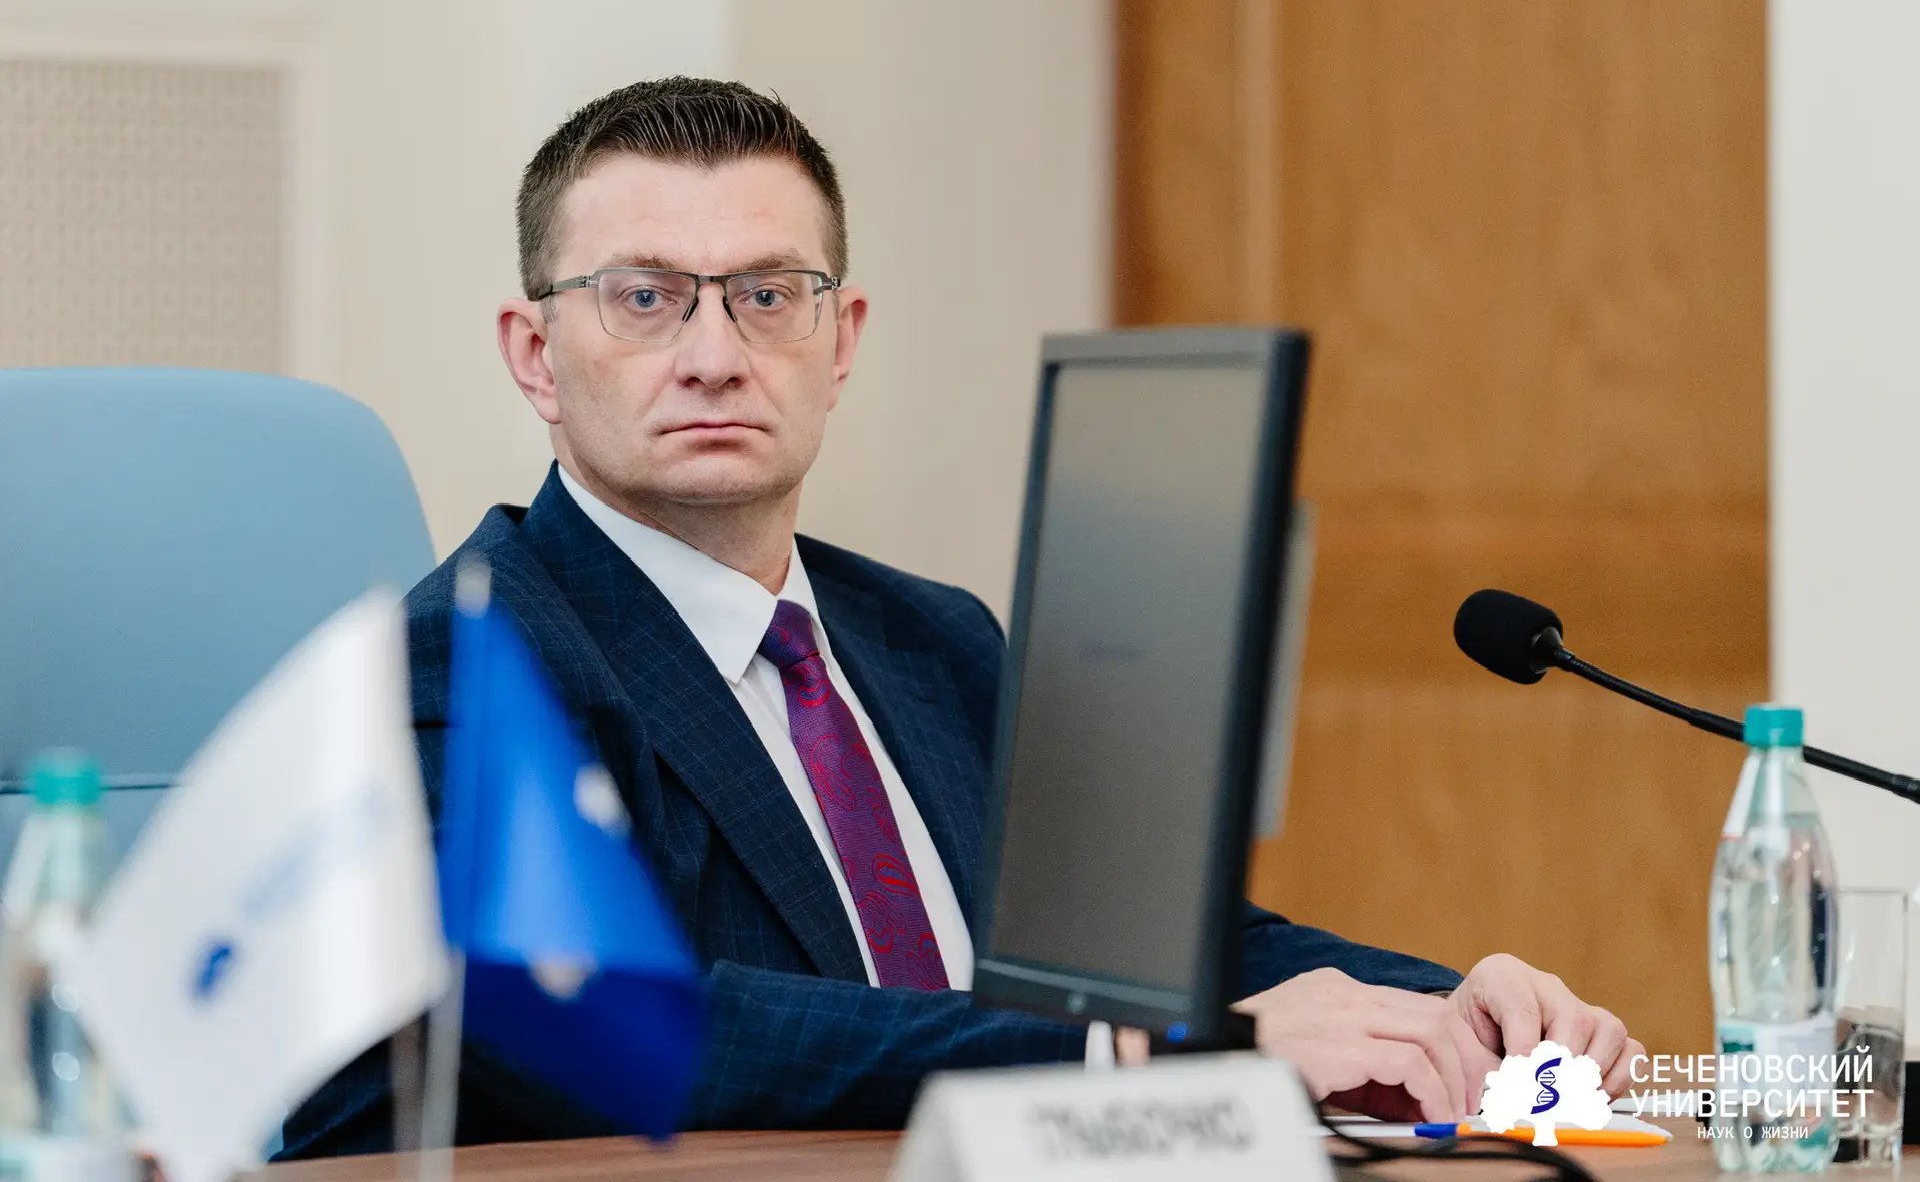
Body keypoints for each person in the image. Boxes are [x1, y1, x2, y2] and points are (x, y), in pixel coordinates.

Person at [282, 77, 1643, 1154]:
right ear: (535, 355)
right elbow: (599, 1014)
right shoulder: (465, 652)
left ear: (841, 342)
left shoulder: (934, 639)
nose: (714, 355)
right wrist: (1147, 1054)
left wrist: (1451, 1006)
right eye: (644, 300)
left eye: (769, 297)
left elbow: (1155, 959)